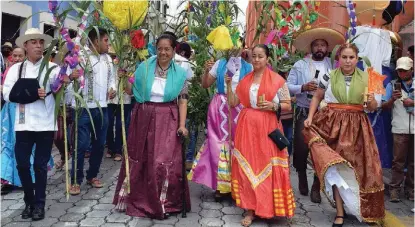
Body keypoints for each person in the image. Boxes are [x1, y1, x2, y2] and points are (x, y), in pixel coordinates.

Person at [303, 43, 384, 226]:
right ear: (338, 59)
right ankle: (339, 212)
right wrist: (310, 117)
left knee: (361, 168)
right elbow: (317, 97)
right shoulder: (328, 76)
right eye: (344, 57)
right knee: (336, 167)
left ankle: (359, 207)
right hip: (333, 126)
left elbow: (372, 108)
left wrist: (371, 101)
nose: (347, 61)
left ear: (357, 59)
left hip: (358, 127)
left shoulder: (368, 78)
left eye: (351, 57)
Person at [112, 33, 191, 219]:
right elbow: (131, 91)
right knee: (141, 158)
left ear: (173, 51)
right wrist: (123, 78)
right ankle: (139, 199)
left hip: (167, 119)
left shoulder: (180, 73)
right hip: (143, 116)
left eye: (167, 49)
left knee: (161, 160)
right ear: (156, 49)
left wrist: (182, 125)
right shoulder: (144, 67)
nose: (163, 52)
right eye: (160, 48)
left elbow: (183, 100)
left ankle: (164, 202)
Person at [226, 44, 294, 226]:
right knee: (248, 165)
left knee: (267, 165)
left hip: (269, 126)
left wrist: (274, 106)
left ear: (267, 59)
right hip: (247, 126)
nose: (256, 59)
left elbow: (287, 104)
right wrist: (228, 85)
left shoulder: (278, 80)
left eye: (260, 56)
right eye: (253, 56)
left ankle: (269, 209)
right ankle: (250, 209)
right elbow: (233, 103)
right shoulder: (245, 80)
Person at [2, 28, 63, 221]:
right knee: (21, 165)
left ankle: (39, 204)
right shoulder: (16, 69)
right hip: (23, 123)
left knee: (39, 165)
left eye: (41, 42)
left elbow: (62, 91)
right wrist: (33, 93)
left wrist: (67, 83)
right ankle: (29, 199)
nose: (38, 45)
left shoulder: (53, 69)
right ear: (26, 45)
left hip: (45, 124)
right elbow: (7, 94)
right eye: (34, 42)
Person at [188, 45, 252, 200]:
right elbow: (205, 84)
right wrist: (205, 70)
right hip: (220, 108)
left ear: (243, 46)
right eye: (231, 43)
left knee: (239, 145)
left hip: (240, 107)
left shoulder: (248, 66)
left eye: (238, 43)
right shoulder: (219, 64)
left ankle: (238, 185)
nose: (234, 47)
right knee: (218, 145)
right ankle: (221, 186)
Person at [288, 28, 345, 202]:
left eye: (323, 45)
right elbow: (286, 85)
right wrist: (302, 88)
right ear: (311, 48)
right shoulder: (300, 65)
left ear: (327, 48)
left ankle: (316, 185)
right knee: (301, 148)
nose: (319, 48)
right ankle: (302, 174)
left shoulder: (333, 65)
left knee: (321, 150)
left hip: (325, 115)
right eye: (316, 45)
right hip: (304, 111)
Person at [68, 28, 116, 195]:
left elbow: (112, 80)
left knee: (99, 144)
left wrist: (112, 89)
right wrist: (72, 77)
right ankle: (75, 180)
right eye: (105, 41)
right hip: (83, 108)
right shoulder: (80, 57)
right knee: (80, 145)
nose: (108, 44)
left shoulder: (108, 60)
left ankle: (92, 175)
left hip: (102, 108)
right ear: (96, 41)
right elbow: (67, 80)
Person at [382, 56, 414, 202]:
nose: (402, 73)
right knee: (398, 161)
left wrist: (412, 102)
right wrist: (392, 99)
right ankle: (394, 189)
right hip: (399, 128)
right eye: (399, 70)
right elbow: (384, 106)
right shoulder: (392, 85)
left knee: (413, 162)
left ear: (412, 70)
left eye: (404, 70)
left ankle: (411, 189)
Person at [106, 46, 132, 161]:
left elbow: (131, 88)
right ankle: (110, 148)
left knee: (120, 125)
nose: (114, 57)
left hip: (124, 100)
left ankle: (118, 150)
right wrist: (110, 92)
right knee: (108, 124)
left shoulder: (130, 65)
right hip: (110, 100)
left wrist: (126, 77)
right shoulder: (109, 65)